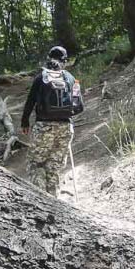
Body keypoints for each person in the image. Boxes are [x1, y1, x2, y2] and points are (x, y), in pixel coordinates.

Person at [21, 46, 83, 196]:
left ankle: (40, 200)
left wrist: (25, 122)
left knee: (36, 164)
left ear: (49, 58)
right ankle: (54, 203)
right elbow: (79, 106)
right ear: (65, 61)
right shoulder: (71, 78)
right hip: (66, 128)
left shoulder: (40, 77)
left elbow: (30, 102)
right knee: (54, 166)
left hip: (44, 127)